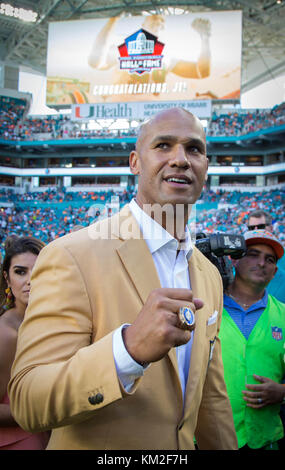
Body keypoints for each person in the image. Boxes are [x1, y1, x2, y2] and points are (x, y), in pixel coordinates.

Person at [8, 108, 237, 450]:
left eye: (194, 149)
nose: (180, 159)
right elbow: (29, 401)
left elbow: (211, 401)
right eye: (163, 145)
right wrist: (126, 351)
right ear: (135, 162)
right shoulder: (71, 255)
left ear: (205, 164)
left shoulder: (208, 274)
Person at [219, 229, 285, 450]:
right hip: (209, 436)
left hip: (264, 438)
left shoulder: (283, 315)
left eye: (269, 259)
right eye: (253, 254)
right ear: (234, 260)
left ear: (275, 271)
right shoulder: (207, 307)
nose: (262, 263)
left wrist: (282, 392)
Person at [0, 235, 50, 450]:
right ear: (7, 278)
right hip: (20, 440)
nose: (30, 279)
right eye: (20, 272)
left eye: (39, 271)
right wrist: (51, 409)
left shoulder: (56, 323)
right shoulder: (6, 334)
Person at [88, 15, 212, 100]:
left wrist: (205, 38)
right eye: (153, 18)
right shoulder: (123, 49)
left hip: (152, 113)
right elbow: (96, 61)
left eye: (161, 21)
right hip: (120, 108)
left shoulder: (167, 57)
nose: (158, 22)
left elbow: (201, 72)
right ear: (143, 24)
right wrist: (112, 21)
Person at [246, 209, 285, 302]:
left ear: (271, 229)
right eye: (251, 228)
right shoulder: (241, 260)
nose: (255, 231)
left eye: (260, 227)